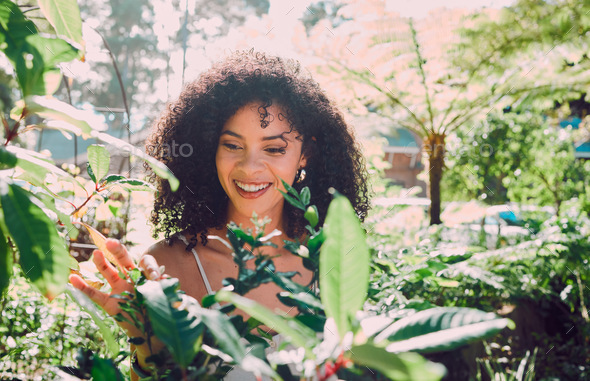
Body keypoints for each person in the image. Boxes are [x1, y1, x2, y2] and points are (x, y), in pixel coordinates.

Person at [69, 50, 370, 379]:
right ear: (209, 148)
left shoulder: (335, 260)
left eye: (273, 148)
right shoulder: (166, 268)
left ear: (305, 154)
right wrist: (146, 345)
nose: (249, 167)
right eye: (232, 145)